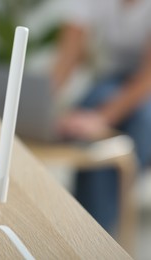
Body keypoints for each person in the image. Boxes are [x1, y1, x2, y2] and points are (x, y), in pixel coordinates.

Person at [52, 0, 151, 233]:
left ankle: (96, 231)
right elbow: (68, 55)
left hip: (145, 85)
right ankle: (86, 225)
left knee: (136, 123)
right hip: (114, 79)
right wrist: (42, 104)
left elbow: (147, 77)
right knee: (88, 107)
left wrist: (102, 118)